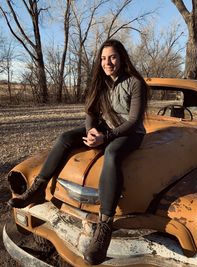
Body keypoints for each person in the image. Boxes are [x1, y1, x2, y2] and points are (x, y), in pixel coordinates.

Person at [8, 39, 148, 265]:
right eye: (103, 58)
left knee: (111, 153)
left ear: (122, 58)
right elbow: (91, 110)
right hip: (104, 128)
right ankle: (37, 189)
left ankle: (104, 226)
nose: (107, 62)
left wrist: (106, 137)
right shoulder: (100, 82)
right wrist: (92, 131)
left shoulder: (135, 83)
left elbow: (133, 121)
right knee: (65, 138)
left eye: (112, 57)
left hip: (131, 134)